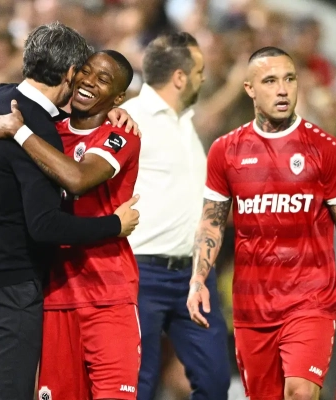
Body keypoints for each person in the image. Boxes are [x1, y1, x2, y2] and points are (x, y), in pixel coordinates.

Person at [186, 46, 336, 400]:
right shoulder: (225, 151)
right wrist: (198, 279)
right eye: (270, 81)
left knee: (300, 391)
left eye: (289, 79)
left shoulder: (325, 149)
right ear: (249, 89)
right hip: (252, 304)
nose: (282, 90)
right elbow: (211, 223)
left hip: (310, 299)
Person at [0, 23, 140, 400]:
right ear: (70, 73)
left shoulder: (5, 99)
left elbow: (76, 177)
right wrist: (115, 225)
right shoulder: (46, 129)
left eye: (103, 79)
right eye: (85, 71)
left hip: (104, 293)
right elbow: (49, 214)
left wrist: (18, 136)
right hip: (47, 292)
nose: (88, 81)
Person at [120, 32, 231, 400]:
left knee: (214, 381)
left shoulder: (185, 123)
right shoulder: (130, 118)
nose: (203, 78)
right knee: (138, 385)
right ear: (180, 77)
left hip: (194, 276)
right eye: (199, 71)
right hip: (142, 273)